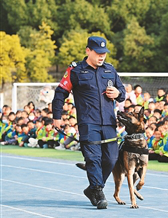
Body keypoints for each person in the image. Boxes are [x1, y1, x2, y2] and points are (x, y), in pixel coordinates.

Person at [52, 36, 126, 209]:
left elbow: (122, 91)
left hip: (108, 122)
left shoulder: (110, 70)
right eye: (98, 53)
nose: (102, 57)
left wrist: (117, 93)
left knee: (111, 159)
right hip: (88, 123)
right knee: (93, 158)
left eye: (104, 53)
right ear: (88, 51)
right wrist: (57, 117)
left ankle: (92, 188)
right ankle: (98, 192)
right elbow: (60, 93)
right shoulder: (75, 70)